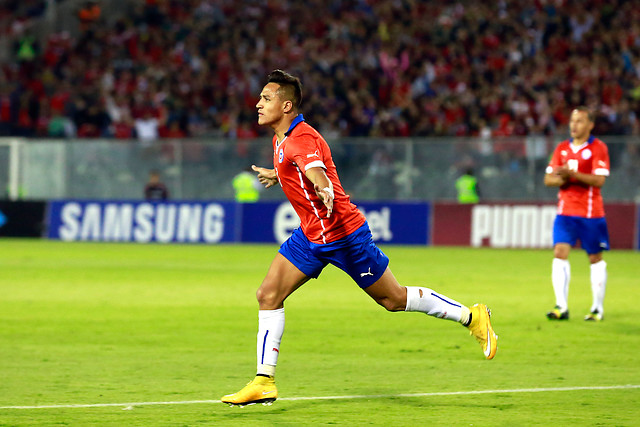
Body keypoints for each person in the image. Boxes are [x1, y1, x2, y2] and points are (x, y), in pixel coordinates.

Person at [221, 70, 498, 407]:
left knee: (393, 300)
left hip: (343, 236)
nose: (258, 103)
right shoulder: (283, 138)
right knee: (267, 295)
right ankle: (264, 381)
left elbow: (316, 171)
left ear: (287, 104)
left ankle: (472, 317)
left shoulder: (300, 139)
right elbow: (299, 166)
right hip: (310, 236)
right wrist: (278, 175)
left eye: (266, 98)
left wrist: (323, 189)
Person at [543, 106, 610, 322]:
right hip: (565, 213)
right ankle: (561, 306)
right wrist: (563, 178)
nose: (574, 125)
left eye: (580, 121)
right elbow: (548, 179)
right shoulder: (562, 148)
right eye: (572, 120)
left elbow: (599, 181)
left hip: (591, 214)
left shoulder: (598, 148)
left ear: (590, 125)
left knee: (595, 258)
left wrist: (573, 174)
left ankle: (597, 309)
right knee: (559, 253)